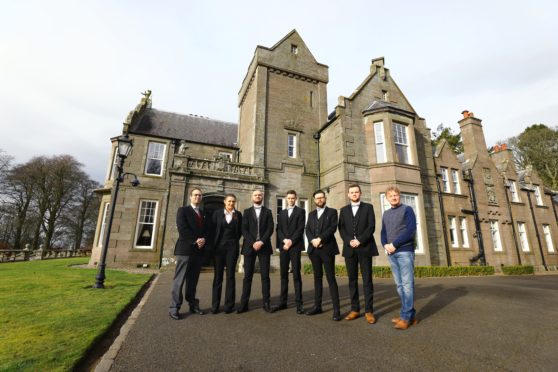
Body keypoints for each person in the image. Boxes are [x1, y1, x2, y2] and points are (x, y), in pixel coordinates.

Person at [338, 184, 378, 324]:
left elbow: (371, 226)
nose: (354, 194)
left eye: (356, 192)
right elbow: (341, 228)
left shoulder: (368, 207)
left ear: (360, 193)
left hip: (365, 247)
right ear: (348, 195)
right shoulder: (343, 210)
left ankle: (369, 311)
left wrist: (360, 240)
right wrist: (349, 241)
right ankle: (355, 309)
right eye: (351, 192)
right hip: (350, 249)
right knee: (352, 280)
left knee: (367, 280)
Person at [381, 185, 419, 330]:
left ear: (399, 196)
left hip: (404, 251)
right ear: (387, 198)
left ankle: (405, 317)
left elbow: (410, 231)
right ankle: (410, 315)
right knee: (400, 285)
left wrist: (394, 244)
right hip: (391, 252)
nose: (394, 197)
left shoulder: (407, 210)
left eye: (396, 195)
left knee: (407, 285)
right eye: (391, 195)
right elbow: (383, 232)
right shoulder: (386, 214)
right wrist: (385, 245)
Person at [169, 188, 209, 320]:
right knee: (179, 280)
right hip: (185, 250)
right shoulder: (183, 210)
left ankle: (193, 305)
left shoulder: (203, 213)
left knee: (193, 281)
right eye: (195, 195)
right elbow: (182, 228)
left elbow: (207, 230)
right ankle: (174, 307)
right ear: (190, 197)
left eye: (199, 195)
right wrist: (195, 240)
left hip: (198, 251)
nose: (197, 197)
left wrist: (203, 239)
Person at [305, 190, 342, 321]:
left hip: (327, 249)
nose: (320, 200)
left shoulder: (332, 212)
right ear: (314, 200)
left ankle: (337, 310)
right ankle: (317, 306)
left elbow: (332, 228)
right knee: (317, 278)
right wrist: (312, 240)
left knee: (331, 278)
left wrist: (320, 239)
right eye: (317, 198)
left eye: (321, 197)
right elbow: (307, 229)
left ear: (325, 198)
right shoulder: (311, 214)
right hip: (314, 251)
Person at [237, 189, 274, 313]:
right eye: (255, 195)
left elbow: (270, 228)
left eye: (259, 195)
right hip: (249, 247)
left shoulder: (268, 212)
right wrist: (253, 242)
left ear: (262, 197)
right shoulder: (246, 212)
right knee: (247, 276)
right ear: (252, 197)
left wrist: (261, 241)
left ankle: (266, 303)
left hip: (264, 246)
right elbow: (244, 229)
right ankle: (244, 304)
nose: (258, 196)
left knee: (265, 276)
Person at [274, 190, 306, 314]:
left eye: (293, 198)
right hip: (284, 247)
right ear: (286, 199)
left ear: (296, 199)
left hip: (295, 246)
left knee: (296, 275)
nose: (291, 200)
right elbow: (279, 229)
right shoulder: (282, 212)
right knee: (283, 275)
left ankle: (299, 304)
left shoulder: (301, 211)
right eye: (289, 198)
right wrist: (284, 240)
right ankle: (283, 302)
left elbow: (300, 228)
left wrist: (291, 241)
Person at [211, 194, 243, 314]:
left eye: (233, 201)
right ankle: (215, 305)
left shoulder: (238, 215)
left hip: (232, 248)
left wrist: (233, 242)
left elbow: (239, 231)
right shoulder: (217, 213)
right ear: (224, 202)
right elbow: (213, 229)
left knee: (230, 276)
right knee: (218, 276)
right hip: (219, 248)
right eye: (229, 201)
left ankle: (229, 305)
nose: (231, 203)